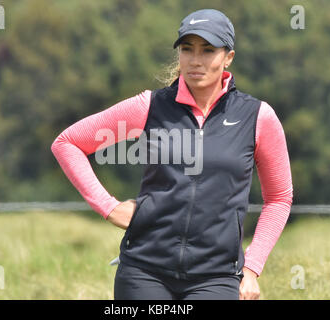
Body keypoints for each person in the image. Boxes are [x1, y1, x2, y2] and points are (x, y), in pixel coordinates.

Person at [51, 8, 293, 300]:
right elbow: (68, 143)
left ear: (228, 57)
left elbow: (279, 198)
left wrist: (252, 268)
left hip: (217, 277)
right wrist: (109, 207)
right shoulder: (150, 106)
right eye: (187, 49)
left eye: (208, 50)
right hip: (143, 271)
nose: (195, 60)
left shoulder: (256, 117)